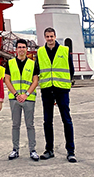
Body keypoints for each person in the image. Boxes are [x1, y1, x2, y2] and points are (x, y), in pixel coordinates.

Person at [36, 27, 77, 163]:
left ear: (55, 36)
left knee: (66, 120)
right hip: (47, 89)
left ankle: (71, 152)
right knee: (47, 121)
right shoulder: (40, 52)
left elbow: (71, 69)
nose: (50, 39)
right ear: (44, 38)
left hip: (61, 90)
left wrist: (66, 85)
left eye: (51, 36)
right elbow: (37, 69)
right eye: (47, 37)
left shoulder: (65, 51)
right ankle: (49, 150)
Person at [4, 39, 39, 161]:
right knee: (15, 125)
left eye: (23, 47)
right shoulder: (10, 63)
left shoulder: (32, 63)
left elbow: (35, 80)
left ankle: (32, 150)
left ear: (27, 49)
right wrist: (16, 94)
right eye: (19, 47)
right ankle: (15, 150)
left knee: (30, 125)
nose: (21, 49)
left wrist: (26, 94)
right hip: (15, 99)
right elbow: (7, 80)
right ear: (16, 49)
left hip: (28, 99)